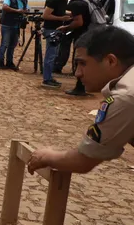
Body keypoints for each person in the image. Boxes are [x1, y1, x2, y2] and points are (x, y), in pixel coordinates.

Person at [27, 26, 134, 174]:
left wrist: (46, 156)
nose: (77, 73)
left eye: (83, 63)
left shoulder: (126, 96)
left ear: (110, 61)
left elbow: (82, 161)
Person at [58, 0, 101, 97]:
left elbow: (78, 22)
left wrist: (66, 27)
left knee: (80, 60)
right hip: (96, 31)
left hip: (83, 34)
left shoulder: (76, 3)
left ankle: (80, 87)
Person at [40, 0, 75, 88]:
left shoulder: (63, 0)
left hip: (57, 29)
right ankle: (46, 79)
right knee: (50, 55)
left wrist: (67, 16)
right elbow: (45, 15)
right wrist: (61, 18)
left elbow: (59, 12)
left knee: (53, 55)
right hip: (51, 29)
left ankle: (49, 77)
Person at [0, 0, 29, 70]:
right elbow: (4, 7)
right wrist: (17, 11)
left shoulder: (24, 1)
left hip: (16, 26)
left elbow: (26, 10)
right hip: (7, 25)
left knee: (12, 45)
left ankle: (9, 62)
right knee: (5, 44)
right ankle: (0, 62)